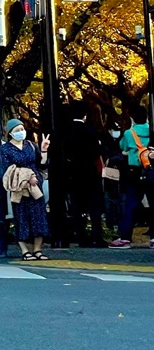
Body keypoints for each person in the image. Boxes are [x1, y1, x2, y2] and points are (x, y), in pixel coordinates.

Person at [51, 104, 106, 248]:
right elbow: (97, 151)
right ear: (84, 116)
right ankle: (96, 236)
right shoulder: (90, 130)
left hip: (72, 174)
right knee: (94, 207)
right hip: (90, 173)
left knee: (76, 206)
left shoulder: (64, 131)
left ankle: (81, 237)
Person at [1, 118, 49, 260]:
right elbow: (8, 169)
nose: (21, 132)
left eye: (22, 129)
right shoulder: (5, 149)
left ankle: (38, 249)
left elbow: (41, 164)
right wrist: (28, 176)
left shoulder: (31, 145)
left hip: (35, 187)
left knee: (39, 216)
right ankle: (24, 250)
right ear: (10, 133)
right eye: (17, 130)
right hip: (19, 188)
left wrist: (44, 150)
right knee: (21, 217)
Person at [110, 105, 152, 248]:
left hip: (134, 171)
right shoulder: (151, 130)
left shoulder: (129, 133)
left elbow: (123, 147)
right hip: (150, 170)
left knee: (131, 204)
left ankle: (125, 238)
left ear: (132, 118)